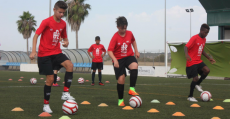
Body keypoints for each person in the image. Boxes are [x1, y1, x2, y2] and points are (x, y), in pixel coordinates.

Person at [29, 1, 75, 113]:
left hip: (56, 52)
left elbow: (65, 38)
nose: (61, 14)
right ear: (54, 10)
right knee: (50, 79)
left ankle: (65, 93)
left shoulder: (63, 24)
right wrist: (34, 51)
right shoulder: (46, 22)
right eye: (60, 12)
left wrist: (66, 43)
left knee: (70, 65)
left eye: (63, 13)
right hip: (44, 54)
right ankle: (46, 105)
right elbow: (36, 36)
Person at [107, 16, 140, 106]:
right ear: (118, 27)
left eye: (125, 28)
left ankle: (132, 89)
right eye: (122, 28)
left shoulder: (130, 33)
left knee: (134, 65)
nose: (124, 30)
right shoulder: (115, 37)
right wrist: (115, 60)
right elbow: (109, 50)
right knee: (121, 79)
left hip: (129, 56)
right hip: (118, 59)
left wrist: (136, 51)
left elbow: (133, 41)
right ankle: (120, 100)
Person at [184, 23, 216, 102]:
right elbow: (186, 47)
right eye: (205, 32)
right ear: (201, 31)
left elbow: (201, 50)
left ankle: (197, 84)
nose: (206, 34)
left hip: (198, 61)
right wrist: (187, 55)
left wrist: (209, 58)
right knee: (195, 78)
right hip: (191, 62)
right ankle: (190, 96)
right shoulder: (194, 38)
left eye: (207, 33)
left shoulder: (204, 39)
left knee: (207, 70)